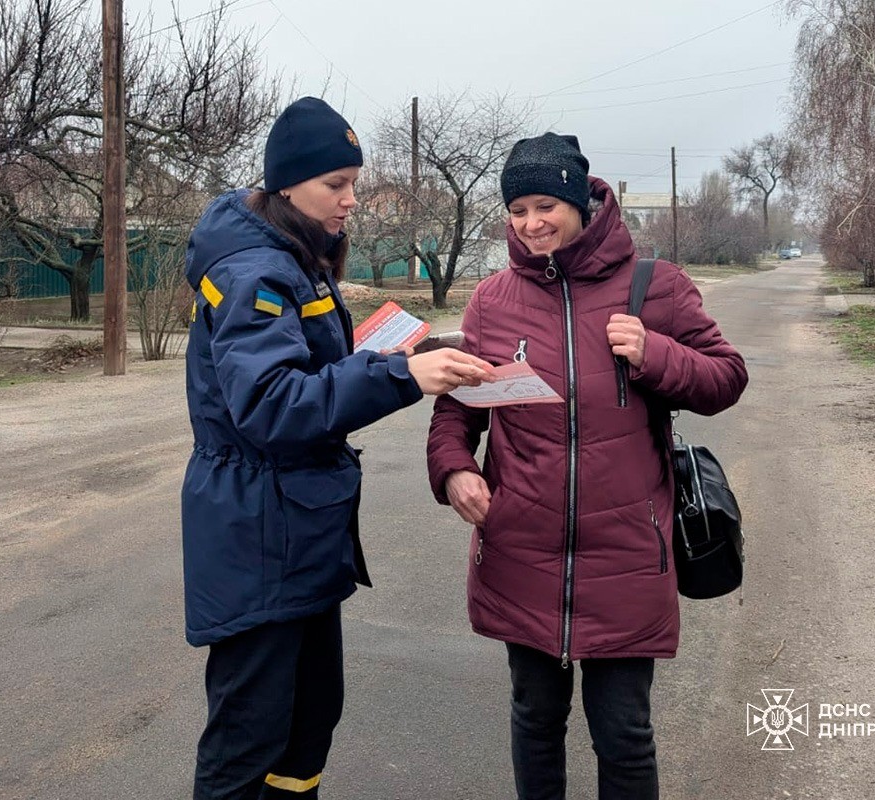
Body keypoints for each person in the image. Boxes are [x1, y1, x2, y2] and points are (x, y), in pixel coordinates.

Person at [181, 96, 494, 800]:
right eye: (336, 184)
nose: (352, 200)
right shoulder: (252, 273)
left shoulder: (295, 254)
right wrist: (400, 375)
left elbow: (314, 366)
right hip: (258, 529)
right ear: (286, 183)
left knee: (308, 721)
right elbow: (270, 405)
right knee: (248, 739)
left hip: (301, 527)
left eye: (354, 181)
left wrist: (421, 349)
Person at [426, 133, 748, 799]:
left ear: (581, 200)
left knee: (624, 733)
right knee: (534, 719)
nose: (531, 223)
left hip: (628, 553)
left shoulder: (654, 287)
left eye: (545, 204)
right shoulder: (492, 299)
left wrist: (656, 353)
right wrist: (456, 468)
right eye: (517, 210)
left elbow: (725, 379)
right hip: (521, 548)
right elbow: (459, 408)